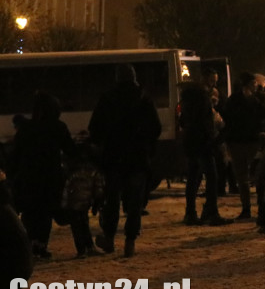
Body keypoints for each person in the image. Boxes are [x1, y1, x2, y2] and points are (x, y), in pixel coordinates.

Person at [89, 65, 162, 258]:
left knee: (112, 199)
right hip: (138, 158)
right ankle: (130, 242)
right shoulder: (144, 99)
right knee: (135, 203)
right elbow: (156, 128)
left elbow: (94, 129)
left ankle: (110, 238)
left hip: (114, 158)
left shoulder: (107, 99)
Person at [9, 92, 75, 259]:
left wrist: (12, 176)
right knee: (45, 214)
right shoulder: (58, 127)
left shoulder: (26, 128)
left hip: (28, 178)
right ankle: (40, 245)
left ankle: (29, 245)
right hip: (50, 178)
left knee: (30, 214)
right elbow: (70, 150)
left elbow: (15, 155)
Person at [180, 71, 231, 226]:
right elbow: (205, 121)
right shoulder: (201, 97)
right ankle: (210, 211)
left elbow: (184, 120)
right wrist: (214, 138)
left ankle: (191, 212)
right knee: (211, 176)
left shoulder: (188, 98)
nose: (213, 84)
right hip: (203, 142)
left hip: (192, 141)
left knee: (194, 177)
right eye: (211, 80)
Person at [221, 72, 265, 220]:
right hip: (238, 141)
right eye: (253, 83)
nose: (256, 86)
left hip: (253, 141)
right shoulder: (234, 99)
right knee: (242, 178)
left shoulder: (259, 98)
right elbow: (228, 116)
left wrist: (251, 100)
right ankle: (246, 208)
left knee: (259, 176)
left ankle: (263, 209)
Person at [59, 143, 105, 258]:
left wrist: (64, 203)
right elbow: (98, 189)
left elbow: (66, 187)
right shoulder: (93, 171)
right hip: (84, 203)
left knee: (76, 227)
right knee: (84, 224)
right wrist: (97, 202)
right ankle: (89, 246)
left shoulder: (71, 170)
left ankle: (81, 250)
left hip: (72, 202)